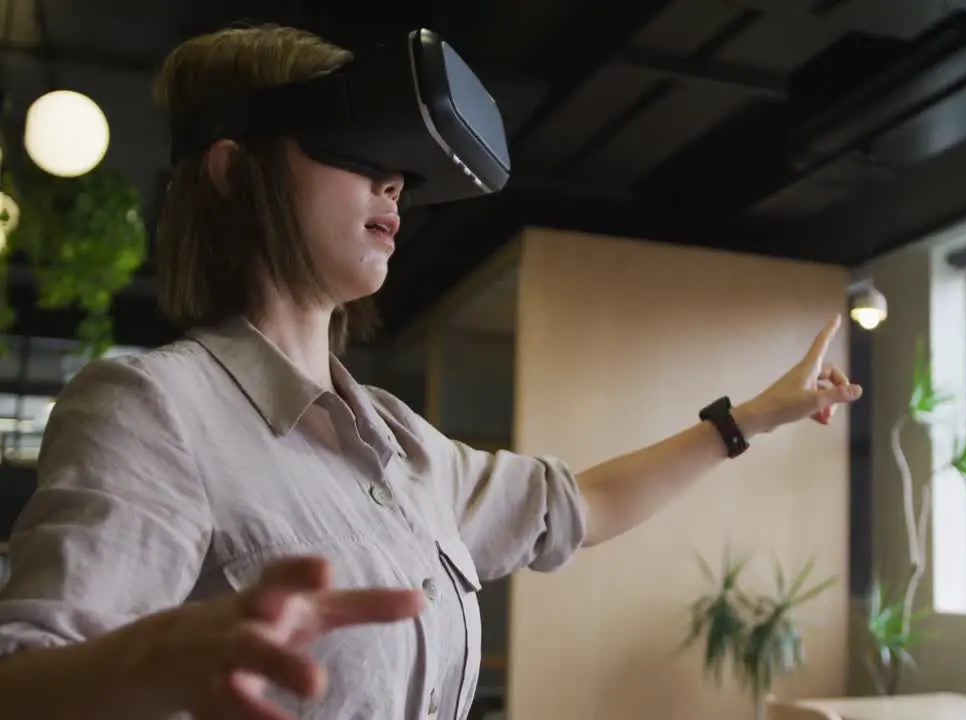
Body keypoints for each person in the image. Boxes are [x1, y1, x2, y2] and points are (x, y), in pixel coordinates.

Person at [0, 24, 862, 720]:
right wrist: (150, 663)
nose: (394, 182)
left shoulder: (402, 443)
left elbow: (583, 505)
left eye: (400, 166)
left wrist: (752, 418)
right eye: (352, 148)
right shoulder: (153, 411)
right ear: (234, 172)